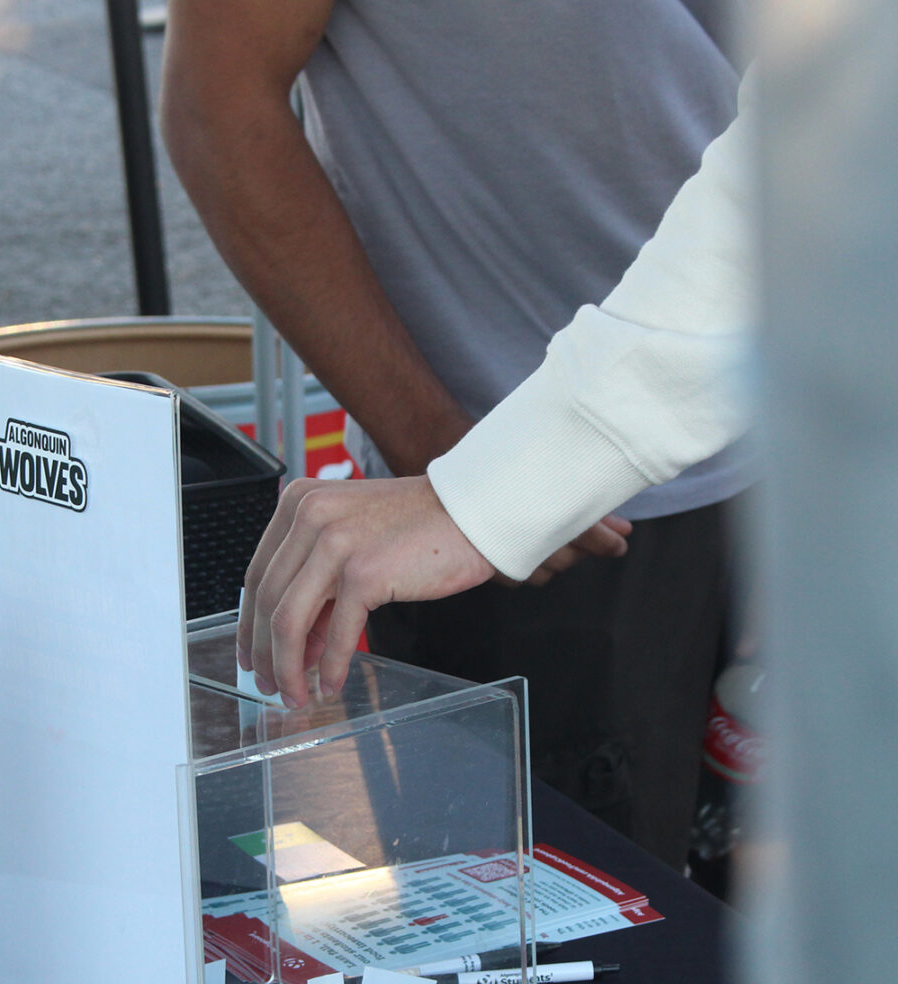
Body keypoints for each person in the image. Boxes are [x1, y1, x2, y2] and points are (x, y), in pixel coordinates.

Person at [163, 0, 753, 866]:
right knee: (569, 919)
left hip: (834, 433)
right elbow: (217, 104)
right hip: (544, 521)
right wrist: (458, 460)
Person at [236, 82, 754, 715]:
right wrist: (469, 479)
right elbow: (220, 104)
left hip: (780, 461)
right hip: (535, 522)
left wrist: (486, 490)